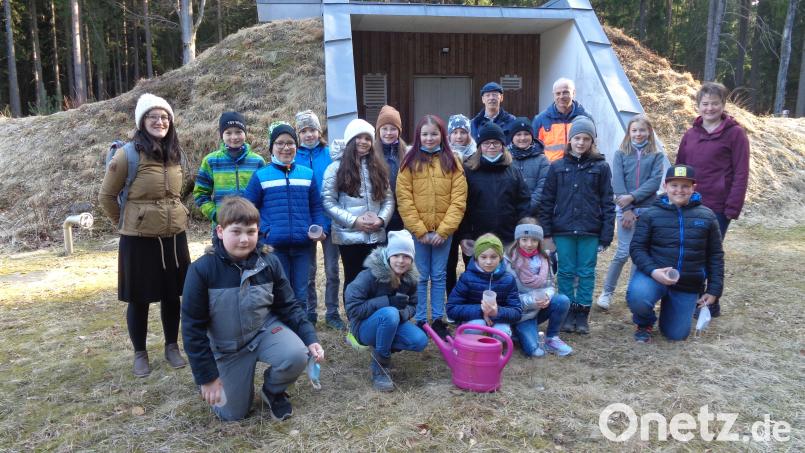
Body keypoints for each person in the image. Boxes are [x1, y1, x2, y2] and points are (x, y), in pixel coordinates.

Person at [181, 197, 324, 421]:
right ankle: (222, 381)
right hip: (226, 348)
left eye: (251, 231)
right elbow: (192, 328)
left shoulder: (269, 262)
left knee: (297, 354)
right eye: (236, 232)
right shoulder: (201, 270)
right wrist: (206, 376)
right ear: (220, 231)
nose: (244, 239)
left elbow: (288, 305)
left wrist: (310, 337)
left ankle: (273, 391)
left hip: (263, 332)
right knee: (233, 414)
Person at [99, 93, 191, 377]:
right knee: (138, 299)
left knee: (172, 296)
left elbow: (178, 193)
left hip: (174, 237)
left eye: (164, 117)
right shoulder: (126, 154)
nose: (159, 122)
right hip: (138, 240)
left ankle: (172, 346)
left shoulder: (177, 153)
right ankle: (140, 352)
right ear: (142, 121)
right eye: (153, 117)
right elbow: (107, 197)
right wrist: (126, 224)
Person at [627, 165, 724, 342]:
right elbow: (637, 248)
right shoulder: (651, 214)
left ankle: (670, 312)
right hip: (654, 275)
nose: (679, 190)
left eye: (685, 186)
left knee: (676, 335)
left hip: (687, 282)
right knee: (638, 297)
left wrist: (714, 290)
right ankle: (645, 322)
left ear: (694, 187)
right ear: (665, 186)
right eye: (674, 185)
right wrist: (654, 271)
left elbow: (715, 255)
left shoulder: (707, 216)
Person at [676, 82, 749, 318]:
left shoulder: (735, 134)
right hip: (691, 203)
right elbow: (680, 169)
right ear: (698, 106)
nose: (709, 108)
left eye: (714, 103)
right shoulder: (690, 135)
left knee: (711, 253)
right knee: (692, 251)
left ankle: (712, 300)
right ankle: (695, 299)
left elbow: (741, 172)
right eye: (705, 104)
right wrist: (675, 198)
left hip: (718, 205)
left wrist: (732, 207)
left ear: (723, 105)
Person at [539, 116, 615, 335]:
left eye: (586, 139)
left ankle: (582, 313)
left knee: (586, 273)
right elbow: (547, 201)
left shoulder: (601, 167)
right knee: (565, 271)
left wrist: (606, 235)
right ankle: (566, 311)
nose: (581, 143)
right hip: (563, 230)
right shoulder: (557, 167)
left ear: (592, 142)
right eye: (577, 138)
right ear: (570, 140)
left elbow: (607, 202)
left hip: (589, 231)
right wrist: (547, 233)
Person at [396, 114, 468, 339]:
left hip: (442, 234)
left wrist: (443, 230)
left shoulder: (452, 160)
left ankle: (437, 318)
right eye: (425, 134)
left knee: (439, 275)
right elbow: (404, 198)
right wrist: (419, 229)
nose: (429, 138)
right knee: (419, 275)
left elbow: (459, 198)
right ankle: (419, 318)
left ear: (442, 135)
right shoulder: (409, 161)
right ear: (418, 136)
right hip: (419, 233)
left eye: (434, 134)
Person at [244, 121, 326, 309]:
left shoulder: (307, 174)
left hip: (303, 245)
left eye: (290, 143)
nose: (285, 148)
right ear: (272, 147)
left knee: (301, 292)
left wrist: (321, 228)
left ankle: (302, 334)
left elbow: (316, 206)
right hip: (274, 247)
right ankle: (283, 334)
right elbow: (248, 209)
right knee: (280, 291)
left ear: (296, 147)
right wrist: (264, 231)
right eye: (280, 143)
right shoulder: (261, 176)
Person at [596, 114, 666, 310]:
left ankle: (633, 293)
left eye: (642, 130)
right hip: (625, 209)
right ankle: (607, 292)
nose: (638, 134)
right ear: (629, 132)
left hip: (647, 210)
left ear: (649, 132)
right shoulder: (620, 154)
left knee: (640, 253)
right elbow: (617, 182)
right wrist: (626, 208)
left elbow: (654, 182)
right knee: (623, 252)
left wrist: (633, 197)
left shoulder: (656, 155)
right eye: (634, 130)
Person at [344, 230, 428, 391]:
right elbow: (353, 310)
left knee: (420, 340)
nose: (401, 261)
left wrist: (402, 313)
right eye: (396, 255)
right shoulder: (368, 276)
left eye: (406, 256)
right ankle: (380, 367)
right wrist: (387, 302)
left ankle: (383, 344)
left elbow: (413, 306)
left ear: (412, 259)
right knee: (389, 313)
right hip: (363, 328)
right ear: (389, 255)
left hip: (392, 322)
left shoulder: (410, 279)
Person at [321, 118, 395, 291]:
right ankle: (355, 316)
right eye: (358, 137)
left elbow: (388, 199)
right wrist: (355, 222)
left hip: (375, 234)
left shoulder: (378, 167)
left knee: (376, 279)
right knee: (353, 278)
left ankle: (373, 315)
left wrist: (381, 220)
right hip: (349, 236)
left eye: (367, 138)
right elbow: (327, 201)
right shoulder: (335, 168)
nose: (363, 142)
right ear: (350, 140)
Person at [294, 110, 345, 330]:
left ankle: (332, 312)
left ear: (319, 131)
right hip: (305, 222)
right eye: (303, 131)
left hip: (331, 221)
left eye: (312, 130)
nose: (308, 135)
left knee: (333, 270)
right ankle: (309, 312)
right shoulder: (293, 156)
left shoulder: (330, 154)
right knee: (308, 272)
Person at [457, 122, 530, 259]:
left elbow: (523, 203)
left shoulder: (513, 171)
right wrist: (465, 234)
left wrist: (520, 232)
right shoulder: (469, 171)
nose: (491, 146)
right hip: (477, 238)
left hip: (508, 238)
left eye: (496, 142)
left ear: (502, 145)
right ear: (480, 146)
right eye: (486, 143)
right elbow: (461, 206)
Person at [505, 220, 573, 357]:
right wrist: (532, 300)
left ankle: (551, 337)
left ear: (539, 241)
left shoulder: (545, 258)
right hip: (520, 315)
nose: (529, 244)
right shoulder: (508, 262)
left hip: (538, 309)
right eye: (524, 239)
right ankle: (516, 332)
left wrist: (547, 296)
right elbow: (505, 298)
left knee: (562, 300)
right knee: (535, 352)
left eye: (534, 240)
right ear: (517, 239)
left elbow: (551, 285)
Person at [193, 111, 265, 229]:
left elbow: (265, 195)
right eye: (228, 133)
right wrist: (216, 215)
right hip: (222, 227)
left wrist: (258, 217)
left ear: (245, 133)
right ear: (222, 135)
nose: (234, 137)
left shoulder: (257, 161)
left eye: (238, 132)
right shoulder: (211, 161)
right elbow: (200, 194)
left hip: (251, 226)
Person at [446, 233, 522, 338]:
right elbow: (451, 309)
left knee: (502, 332)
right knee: (477, 326)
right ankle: (473, 348)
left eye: (493, 257)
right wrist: (482, 311)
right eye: (483, 257)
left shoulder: (508, 280)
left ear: (500, 258)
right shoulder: (467, 278)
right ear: (476, 258)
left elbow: (517, 312)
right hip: (474, 318)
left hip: (498, 319)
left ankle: (495, 349)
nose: (488, 262)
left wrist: (497, 312)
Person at [446, 113, 477, 298]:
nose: (459, 136)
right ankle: (452, 298)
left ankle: (470, 298)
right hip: (449, 217)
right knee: (449, 262)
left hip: (470, 218)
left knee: (471, 261)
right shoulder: (443, 156)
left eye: (463, 132)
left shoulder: (476, 156)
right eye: (455, 132)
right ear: (449, 134)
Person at [531, 77, 592, 162]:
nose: (561, 96)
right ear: (553, 95)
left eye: (565, 92)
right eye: (558, 93)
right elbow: (534, 148)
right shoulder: (540, 119)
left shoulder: (586, 117)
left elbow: (593, 145)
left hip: (579, 168)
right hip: (550, 170)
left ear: (573, 93)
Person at [507, 117, 550, 216]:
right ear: (512, 137)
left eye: (526, 134)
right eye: (518, 134)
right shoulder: (505, 159)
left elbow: (543, 187)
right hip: (509, 213)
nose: (522, 138)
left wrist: (528, 208)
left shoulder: (542, 160)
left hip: (535, 215)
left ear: (532, 136)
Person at [375, 105, 408, 232]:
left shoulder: (407, 153)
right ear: (378, 130)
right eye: (384, 129)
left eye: (393, 129)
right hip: (380, 214)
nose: (388, 133)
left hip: (402, 215)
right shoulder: (371, 153)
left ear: (399, 131)